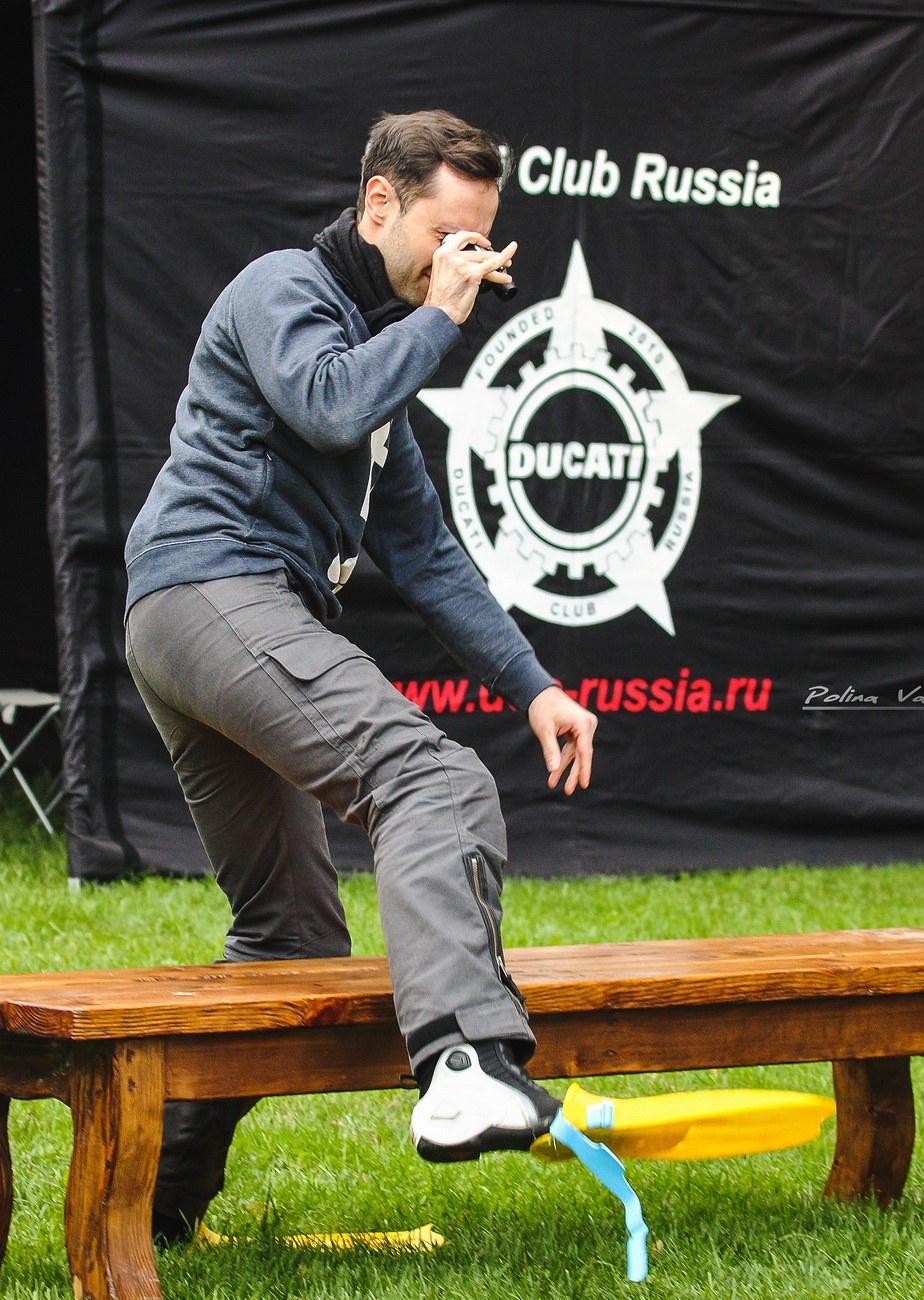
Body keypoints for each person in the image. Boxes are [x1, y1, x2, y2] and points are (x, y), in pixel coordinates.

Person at [123, 110, 600, 1244]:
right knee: (430, 780)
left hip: (208, 615)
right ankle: (463, 1066)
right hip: (211, 587)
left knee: (291, 932)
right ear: (379, 203)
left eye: (480, 243)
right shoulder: (282, 288)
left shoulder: (379, 354)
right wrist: (440, 317)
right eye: (448, 237)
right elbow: (326, 400)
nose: (464, 263)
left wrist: (534, 685)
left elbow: (426, 555)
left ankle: (152, 1205)